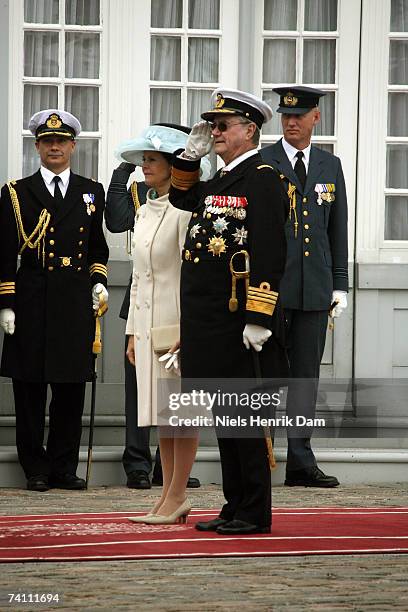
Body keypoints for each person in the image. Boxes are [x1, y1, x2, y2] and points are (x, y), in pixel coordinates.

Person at [168, 89, 289, 535]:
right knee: (225, 420)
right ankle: (234, 504)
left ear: (250, 130)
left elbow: (271, 251)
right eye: (212, 127)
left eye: (222, 127)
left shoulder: (262, 177)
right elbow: (183, 199)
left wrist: (260, 316)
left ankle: (254, 511)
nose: (214, 133)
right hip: (209, 320)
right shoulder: (222, 178)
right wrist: (188, 156)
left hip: (239, 319)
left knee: (245, 421)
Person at [0, 109, 109, 491]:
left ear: (73, 146)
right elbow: (4, 252)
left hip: (73, 303)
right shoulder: (16, 192)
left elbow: (98, 247)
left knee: (70, 389)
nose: (55, 147)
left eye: (61, 141)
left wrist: (98, 282)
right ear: (37, 147)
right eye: (48, 142)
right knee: (29, 389)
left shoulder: (91, 191)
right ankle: (36, 468)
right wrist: (6, 303)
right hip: (30, 302)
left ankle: (64, 466)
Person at [116, 125, 209, 525]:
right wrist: (133, 331)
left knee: (181, 413)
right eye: (143, 160)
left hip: (179, 322)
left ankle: (176, 496)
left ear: (174, 165)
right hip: (150, 323)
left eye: (152, 160)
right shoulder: (145, 207)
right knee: (161, 413)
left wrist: (193, 331)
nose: (144, 166)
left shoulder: (187, 210)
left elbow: (197, 276)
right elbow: (139, 277)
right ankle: (167, 497)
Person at [261, 86, 348, 487]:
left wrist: (339, 284)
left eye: (299, 116)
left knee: (305, 378)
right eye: (285, 116)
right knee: (265, 375)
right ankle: (259, 456)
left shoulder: (330, 165)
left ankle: (300, 459)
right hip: (272, 290)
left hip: (314, 288)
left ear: (316, 117)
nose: (291, 122)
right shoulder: (263, 161)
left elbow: (337, 228)